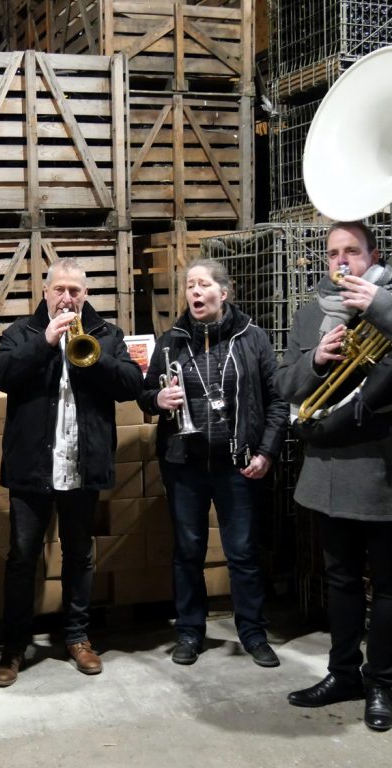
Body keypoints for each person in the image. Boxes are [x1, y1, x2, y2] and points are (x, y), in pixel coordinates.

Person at [275, 221, 392, 731]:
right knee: (340, 580)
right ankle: (343, 674)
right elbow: (285, 383)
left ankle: (380, 682)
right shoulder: (312, 311)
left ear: (374, 256)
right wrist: (317, 359)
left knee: (389, 583)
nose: (341, 261)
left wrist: (381, 307)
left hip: (385, 469)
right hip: (329, 468)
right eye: (333, 252)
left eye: (352, 251)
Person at [0, 258, 142, 686]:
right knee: (23, 558)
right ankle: (14, 647)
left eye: (75, 290)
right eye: (60, 289)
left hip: (81, 464)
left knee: (79, 554)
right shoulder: (22, 332)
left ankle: (77, 637)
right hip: (32, 468)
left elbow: (132, 384)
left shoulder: (106, 334)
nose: (67, 298)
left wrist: (95, 359)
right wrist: (45, 343)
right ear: (45, 292)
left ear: (85, 294)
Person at [137, 259, 286, 668]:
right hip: (184, 464)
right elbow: (145, 395)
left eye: (203, 284)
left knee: (243, 553)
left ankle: (253, 633)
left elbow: (278, 400)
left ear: (224, 292)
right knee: (188, 551)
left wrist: (267, 451)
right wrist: (157, 400)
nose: (195, 292)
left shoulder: (252, 337)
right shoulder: (171, 341)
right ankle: (189, 631)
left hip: (238, 464)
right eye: (190, 285)